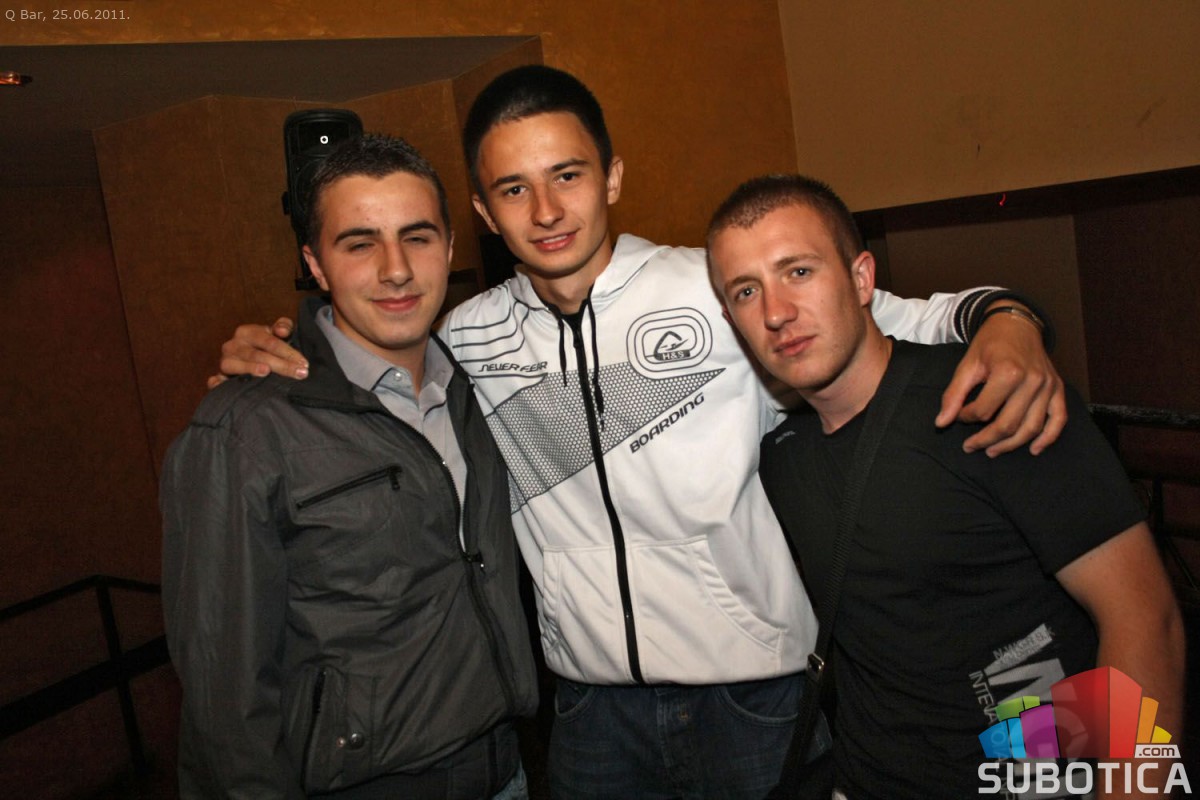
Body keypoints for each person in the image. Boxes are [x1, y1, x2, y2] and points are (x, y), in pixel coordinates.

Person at [214, 66, 1067, 798]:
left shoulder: (718, 289)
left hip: (756, 697)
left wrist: (1009, 317)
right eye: (514, 189)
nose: (547, 210)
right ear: (484, 210)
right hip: (588, 715)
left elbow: (901, 319)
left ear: (612, 176)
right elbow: (364, 352)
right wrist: (277, 350)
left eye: (568, 175)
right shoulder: (462, 338)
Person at [706, 174, 1185, 799]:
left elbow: (1145, 621)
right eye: (747, 291)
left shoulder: (994, 402)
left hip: (1033, 777)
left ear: (861, 279)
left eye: (798, 271)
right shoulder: (782, 457)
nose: (776, 312)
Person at [161, 134, 538, 800]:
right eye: (360, 244)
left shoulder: (480, 387)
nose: (396, 270)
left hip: (505, 769)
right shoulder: (245, 431)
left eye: (417, 237)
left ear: (450, 246)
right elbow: (224, 698)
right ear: (315, 263)